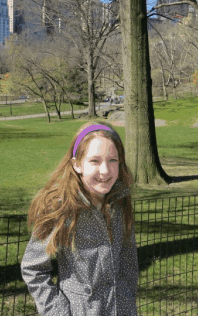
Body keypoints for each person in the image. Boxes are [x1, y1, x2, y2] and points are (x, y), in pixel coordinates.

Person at [21, 122, 138, 316]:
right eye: (94, 161)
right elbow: (33, 269)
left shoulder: (120, 201)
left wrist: (127, 299)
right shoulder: (60, 208)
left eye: (112, 160)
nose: (105, 170)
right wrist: (58, 312)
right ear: (77, 164)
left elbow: (128, 259)